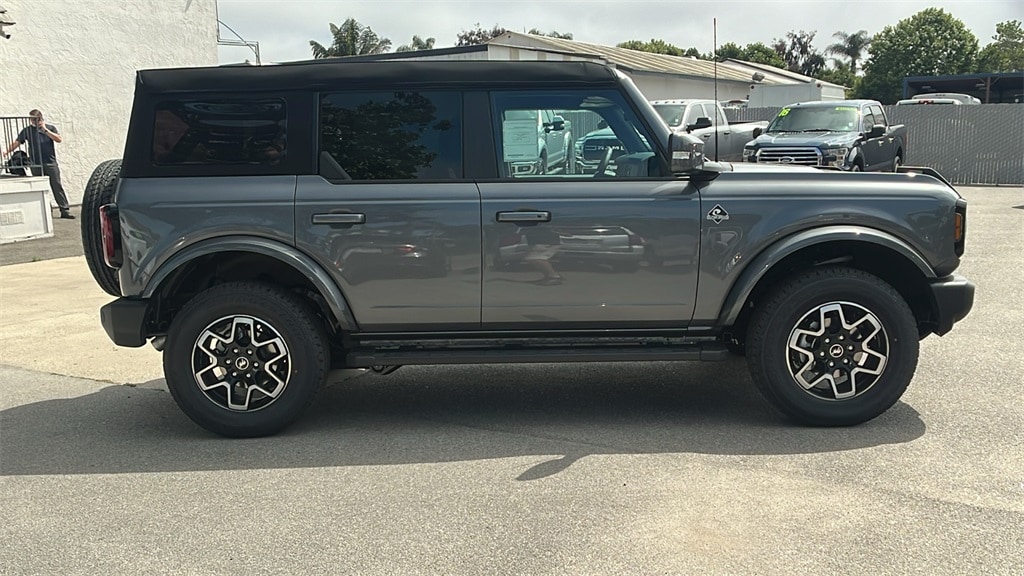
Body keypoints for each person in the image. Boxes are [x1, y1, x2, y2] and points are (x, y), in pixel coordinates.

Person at [3, 109, 74, 219]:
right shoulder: (27, 131)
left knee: (56, 185)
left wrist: (45, 130)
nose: (35, 123)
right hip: (35, 163)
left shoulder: (50, 128)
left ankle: (64, 209)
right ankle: (46, 210)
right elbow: (17, 142)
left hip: (50, 162)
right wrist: (6, 152)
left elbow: (59, 139)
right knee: (40, 187)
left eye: (37, 120)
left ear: (41, 119)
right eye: (33, 120)